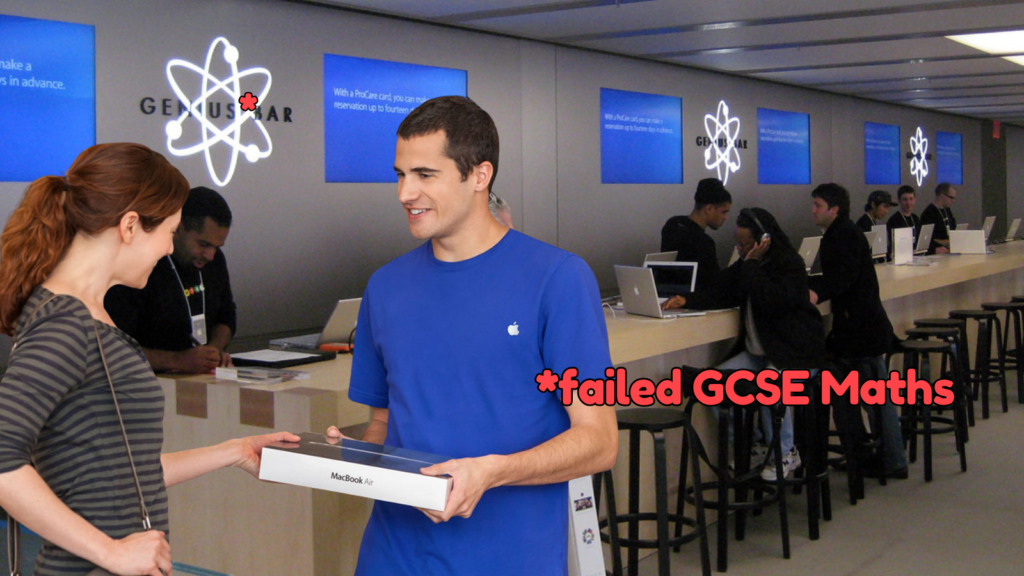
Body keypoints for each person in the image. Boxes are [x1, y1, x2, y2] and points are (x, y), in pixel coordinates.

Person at [330, 96, 617, 575]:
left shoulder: (559, 279)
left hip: (509, 557)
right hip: (393, 555)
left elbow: (600, 441)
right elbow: (383, 425)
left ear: (479, 176)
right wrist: (338, 455)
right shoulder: (384, 287)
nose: (405, 193)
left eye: (425, 175)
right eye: (400, 175)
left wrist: (490, 472)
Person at [0, 143, 297, 576]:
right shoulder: (67, 325)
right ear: (130, 225)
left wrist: (233, 451)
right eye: (168, 232)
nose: (165, 250)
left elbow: (122, 471)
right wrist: (110, 552)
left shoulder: (88, 318)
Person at [663, 208, 825, 480]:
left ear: (763, 240)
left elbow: (772, 302)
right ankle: (756, 447)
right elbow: (721, 290)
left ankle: (785, 451)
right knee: (712, 385)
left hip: (796, 354)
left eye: (744, 244)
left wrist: (751, 264)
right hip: (761, 355)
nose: (739, 249)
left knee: (770, 384)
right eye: (737, 244)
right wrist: (687, 300)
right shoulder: (747, 265)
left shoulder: (789, 264)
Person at [808, 183, 908, 478]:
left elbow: (842, 279)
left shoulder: (842, 236)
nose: (813, 210)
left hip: (861, 331)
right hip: (860, 330)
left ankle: (891, 460)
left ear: (834, 209)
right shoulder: (844, 232)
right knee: (873, 399)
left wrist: (815, 293)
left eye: (818, 205)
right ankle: (872, 455)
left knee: (876, 401)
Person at [105, 186, 237, 373]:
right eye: (204, 244)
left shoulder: (214, 261)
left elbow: (226, 316)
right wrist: (178, 360)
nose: (210, 255)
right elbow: (112, 348)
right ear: (178, 228)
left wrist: (213, 352)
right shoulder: (137, 264)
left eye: (217, 246)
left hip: (198, 381)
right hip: (142, 385)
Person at [660, 178, 732, 291]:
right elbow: (715, 283)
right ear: (709, 209)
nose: (725, 217)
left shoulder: (672, 225)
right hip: (693, 302)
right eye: (723, 212)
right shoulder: (704, 242)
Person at [920, 182, 958, 255]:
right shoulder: (929, 213)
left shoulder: (947, 210)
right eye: (951, 198)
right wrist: (950, 241)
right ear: (942, 195)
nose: (953, 201)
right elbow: (928, 240)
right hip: (936, 254)